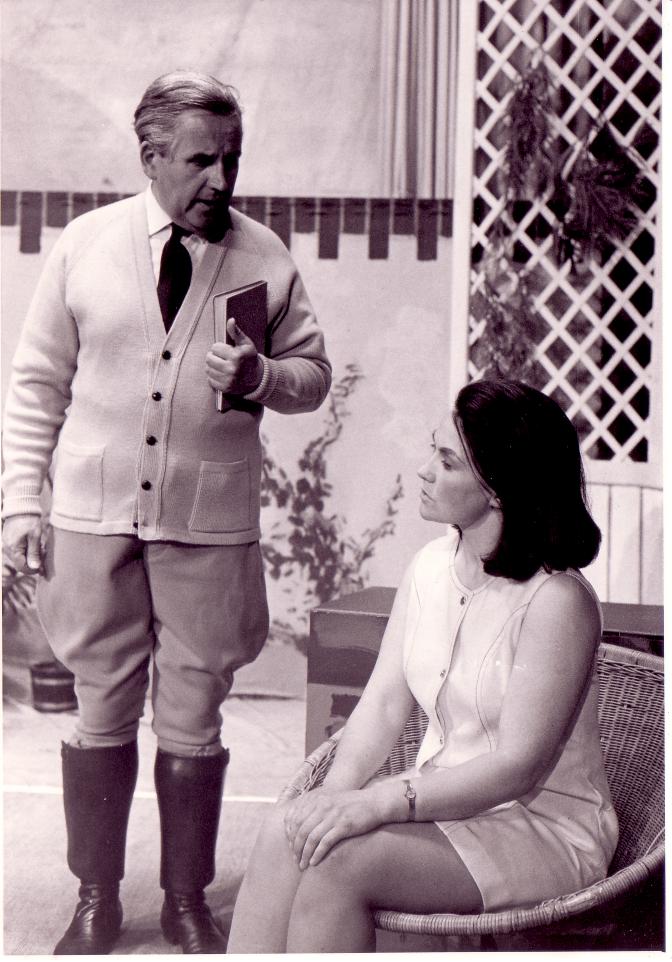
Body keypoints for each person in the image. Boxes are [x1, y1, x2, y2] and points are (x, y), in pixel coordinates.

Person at [1, 71, 331, 955]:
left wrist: (264, 376)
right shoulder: (85, 245)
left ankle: (187, 900)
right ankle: (94, 900)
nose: (221, 179)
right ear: (150, 157)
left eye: (232, 160)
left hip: (208, 529)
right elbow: (36, 385)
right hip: (93, 522)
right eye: (200, 160)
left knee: (194, 714)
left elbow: (312, 376)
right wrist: (19, 503)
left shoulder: (265, 257)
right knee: (99, 710)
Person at [226, 378, 619, 954]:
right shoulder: (431, 565)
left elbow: (516, 767)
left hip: (540, 828)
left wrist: (378, 802)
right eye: (432, 451)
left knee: (340, 865)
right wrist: (329, 799)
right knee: (286, 831)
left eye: (447, 462)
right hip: (440, 801)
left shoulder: (558, 600)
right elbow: (384, 703)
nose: (424, 470)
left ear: (499, 490)